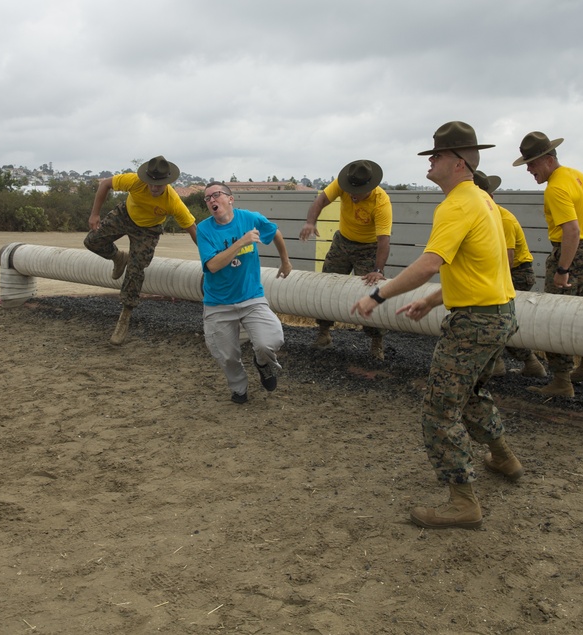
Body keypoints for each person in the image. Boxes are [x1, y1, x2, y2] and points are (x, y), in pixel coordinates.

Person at [351, 122, 523, 530]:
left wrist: (378, 295)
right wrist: (430, 299)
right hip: (498, 315)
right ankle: (503, 458)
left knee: (438, 411)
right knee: (471, 392)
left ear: (460, 163)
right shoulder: (482, 201)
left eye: (438, 155)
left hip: (474, 322)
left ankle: (463, 502)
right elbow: (475, 267)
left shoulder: (457, 204)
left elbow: (430, 262)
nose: (431, 161)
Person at [513, 132, 583, 396]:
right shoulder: (577, 176)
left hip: (570, 251)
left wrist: (563, 269)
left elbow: (571, 230)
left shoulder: (555, 188)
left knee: (554, 317)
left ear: (548, 160)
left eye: (531, 164)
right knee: (580, 312)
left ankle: (562, 381)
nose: (529, 170)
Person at [85, 155, 198, 345]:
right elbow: (105, 184)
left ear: (167, 182)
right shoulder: (135, 181)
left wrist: (209, 256)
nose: (154, 187)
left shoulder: (173, 201)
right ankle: (118, 257)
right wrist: (95, 213)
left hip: (148, 230)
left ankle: (125, 316)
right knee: (91, 242)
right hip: (125, 215)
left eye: (159, 185)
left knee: (136, 270)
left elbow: (193, 229)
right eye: (151, 183)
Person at [196, 182, 292, 404]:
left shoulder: (250, 218)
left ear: (230, 199)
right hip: (218, 303)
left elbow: (274, 231)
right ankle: (239, 388)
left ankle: (263, 364)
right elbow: (212, 265)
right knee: (227, 355)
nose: (211, 200)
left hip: (251, 298)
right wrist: (241, 242)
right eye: (207, 198)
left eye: (216, 195)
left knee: (271, 339)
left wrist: (285, 261)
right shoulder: (204, 229)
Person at [299, 160, 391, 359]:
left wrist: (378, 269)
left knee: (370, 291)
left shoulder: (381, 202)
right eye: (350, 191)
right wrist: (310, 222)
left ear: (370, 188)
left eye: (357, 193)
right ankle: (323, 333)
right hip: (342, 243)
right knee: (326, 285)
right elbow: (320, 201)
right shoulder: (343, 184)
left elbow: (384, 241)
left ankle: (376, 341)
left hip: (368, 248)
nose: (352, 196)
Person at [473, 170, 546, 378]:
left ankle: (502, 362)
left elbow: (508, 258)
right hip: (507, 272)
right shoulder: (489, 217)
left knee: (498, 317)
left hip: (516, 273)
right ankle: (521, 362)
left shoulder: (502, 219)